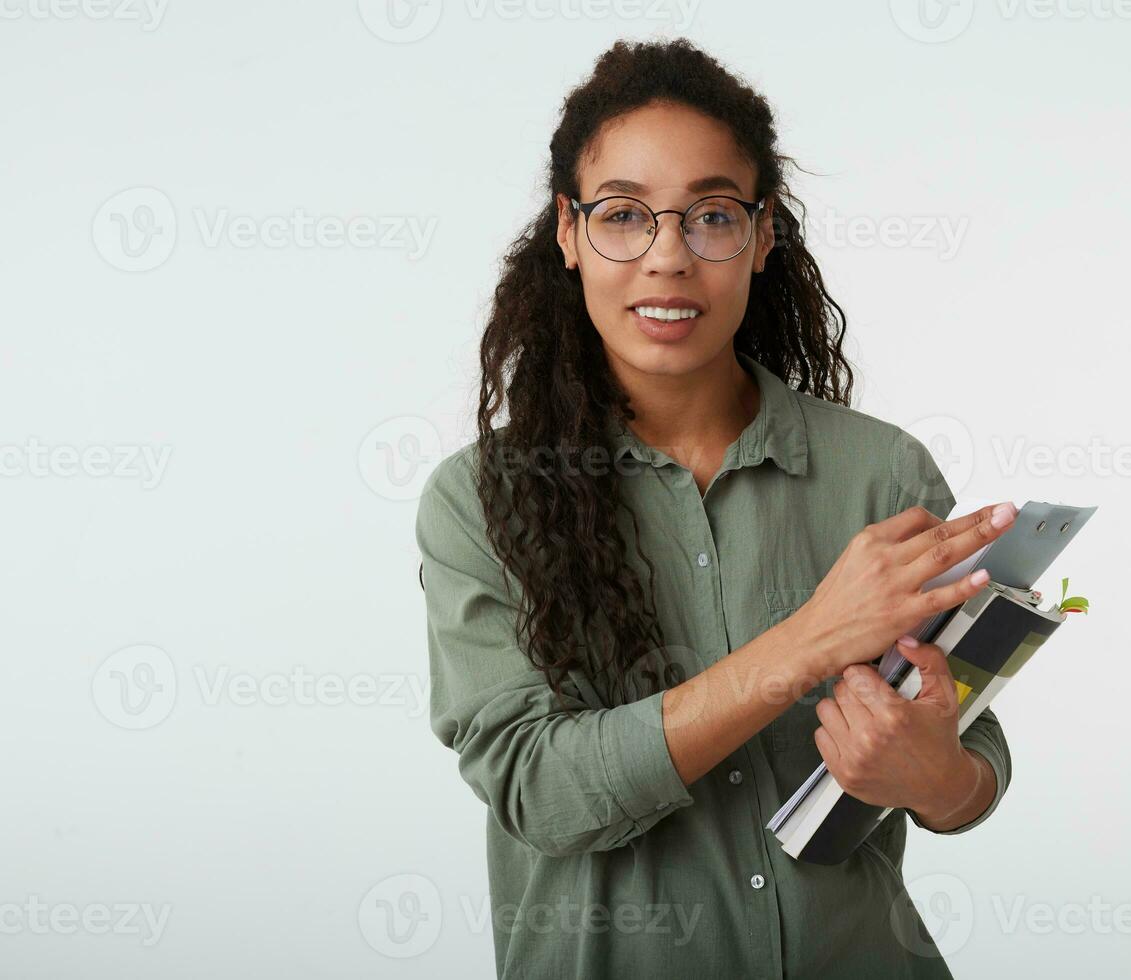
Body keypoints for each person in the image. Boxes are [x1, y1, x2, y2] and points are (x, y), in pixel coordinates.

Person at [415, 36, 1017, 979]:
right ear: (568, 235)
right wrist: (810, 641)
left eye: (711, 215)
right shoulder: (479, 501)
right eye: (623, 215)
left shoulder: (884, 475)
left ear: (763, 232)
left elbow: (973, 761)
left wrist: (936, 775)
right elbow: (540, 790)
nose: (668, 257)